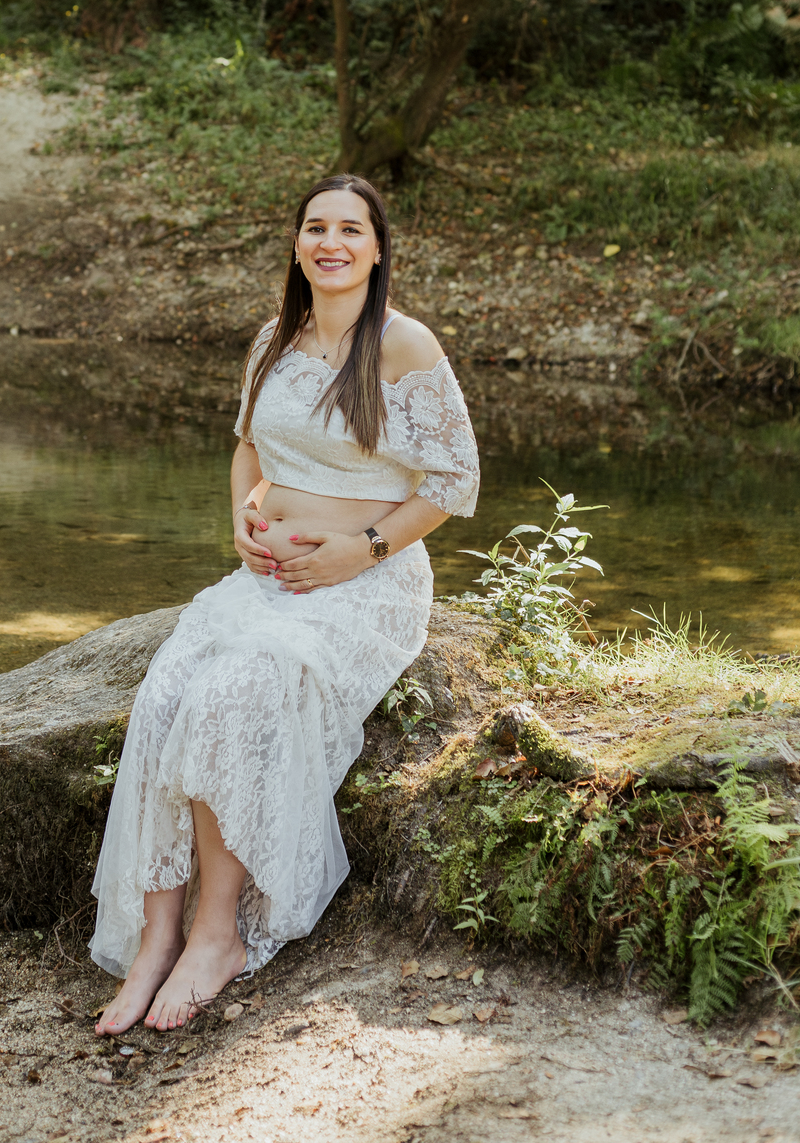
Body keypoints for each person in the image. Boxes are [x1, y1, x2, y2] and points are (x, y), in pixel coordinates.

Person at [90, 174, 480, 1034]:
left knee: (236, 698)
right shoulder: (276, 337)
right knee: (165, 695)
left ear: (377, 250)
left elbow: (456, 483)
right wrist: (243, 516)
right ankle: (156, 939)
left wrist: (360, 550)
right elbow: (245, 448)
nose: (330, 242)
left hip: (366, 584)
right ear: (298, 244)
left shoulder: (407, 347)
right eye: (315, 227)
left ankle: (216, 938)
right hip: (267, 576)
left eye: (351, 229)